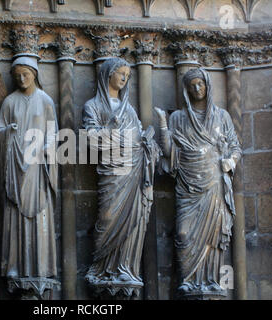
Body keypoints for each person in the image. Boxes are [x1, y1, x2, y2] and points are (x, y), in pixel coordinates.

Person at [155, 68, 241, 297]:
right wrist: (163, 125)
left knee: (213, 237)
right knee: (183, 233)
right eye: (192, 85)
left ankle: (211, 281)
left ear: (207, 86)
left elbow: (235, 146)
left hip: (214, 183)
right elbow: (168, 153)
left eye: (200, 84)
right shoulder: (178, 118)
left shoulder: (221, 116)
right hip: (187, 185)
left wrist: (230, 161)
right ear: (186, 90)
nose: (196, 88)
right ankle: (188, 280)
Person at [82, 57, 161, 296]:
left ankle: (125, 267)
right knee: (107, 217)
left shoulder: (130, 109)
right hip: (112, 172)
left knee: (133, 221)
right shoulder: (92, 106)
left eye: (127, 74)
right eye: (121, 73)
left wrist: (149, 144)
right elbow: (89, 137)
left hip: (134, 168)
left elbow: (138, 136)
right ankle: (101, 268)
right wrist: (109, 130)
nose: (124, 78)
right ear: (108, 75)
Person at [0, 56, 59, 298]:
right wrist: (7, 134)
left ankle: (41, 267)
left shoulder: (45, 100)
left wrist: (48, 148)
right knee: (15, 213)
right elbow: (0, 131)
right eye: (17, 76)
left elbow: (53, 131)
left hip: (37, 167)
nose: (22, 79)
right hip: (15, 167)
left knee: (41, 214)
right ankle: (15, 266)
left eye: (26, 74)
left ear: (35, 74)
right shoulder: (9, 102)